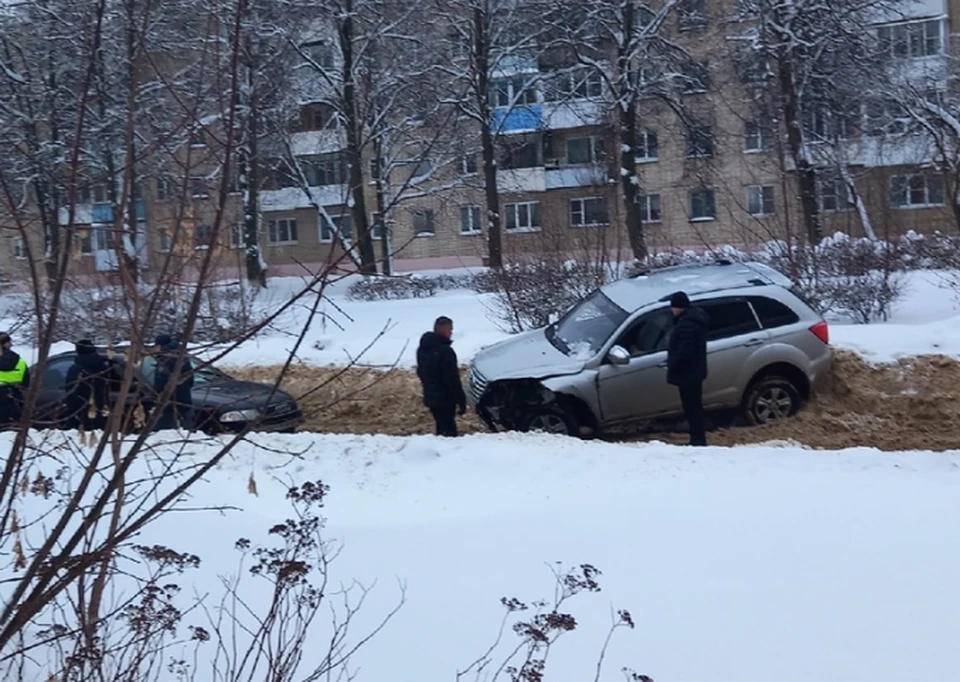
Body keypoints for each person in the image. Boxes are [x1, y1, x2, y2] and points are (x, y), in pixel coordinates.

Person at [666, 292, 709, 447]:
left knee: (692, 408)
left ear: (679, 307)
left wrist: (672, 363)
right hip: (694, 372)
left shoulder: (686, 325)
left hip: (688, 374)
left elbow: (685, 351)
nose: (671, 310)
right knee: (694, 407)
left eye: (673, 307)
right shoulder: (693, 320)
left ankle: (697, 440)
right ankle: (697, 438)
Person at [416, 316, 466, 437]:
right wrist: (461, 400)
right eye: (450, 329)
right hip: (445, 398)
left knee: (441, 425)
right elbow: (452, 379)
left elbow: (421, 371)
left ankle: (441, 447)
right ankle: (448, 452)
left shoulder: (423, 349)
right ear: (444, 330)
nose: (451, 333)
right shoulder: (445, 351)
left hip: (431, 396)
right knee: (449, 430)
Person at [63, 339, 110, 431]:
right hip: (101, 409)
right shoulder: (104, 367)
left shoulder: (75, 369)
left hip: (80, 412)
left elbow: (70, 392)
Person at [153, 333, 195, 431]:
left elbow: (161, 379)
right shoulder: (181, 355)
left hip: (170, 397)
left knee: (165, 424)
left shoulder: (166, 359)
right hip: (184, 395)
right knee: (185, 419)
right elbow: (190, 377)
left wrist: (157, 392)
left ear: (160, 346)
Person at [0, 332, 29, 429]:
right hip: (14, 397)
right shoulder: (20, 361)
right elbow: (26, 383)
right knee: (12, 430)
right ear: (5, 344)